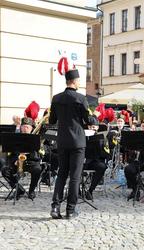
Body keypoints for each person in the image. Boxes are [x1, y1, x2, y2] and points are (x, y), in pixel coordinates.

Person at [49, 68, 93, 219]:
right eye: (79, 80)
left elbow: (52, 121)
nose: (79, 82)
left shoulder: (56, 98)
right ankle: (70, 210)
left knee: (61, 174)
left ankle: (55, 208)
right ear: (74, 81)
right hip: (77, 142)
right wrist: (94, 118)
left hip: (62, 140)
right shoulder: (81, 98)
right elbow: (88, 120)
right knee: (74, 176)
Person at [1, 117, 42, 199]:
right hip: (17, 162)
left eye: (27, 127)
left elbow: (39, 155)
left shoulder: (36, 138)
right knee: (5, 170)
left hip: (31, 162)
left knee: (37, 169)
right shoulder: (15, 137)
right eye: (23, 126)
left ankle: (31, 190)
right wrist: (14, 160)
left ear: (31, 128)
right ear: (20, 127)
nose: (25, 129)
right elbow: (10, 153)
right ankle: (19, 189)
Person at [84, 116, 109, 201]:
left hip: (94, 161)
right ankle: (77, 190)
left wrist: (98, 150)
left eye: (94, 127)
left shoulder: (103, 138)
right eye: (90, 126)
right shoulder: (82, 136)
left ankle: (90, 190)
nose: (91, 128)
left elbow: (106, 154)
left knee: (102, 167)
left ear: (97, 127)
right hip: (82, 161)